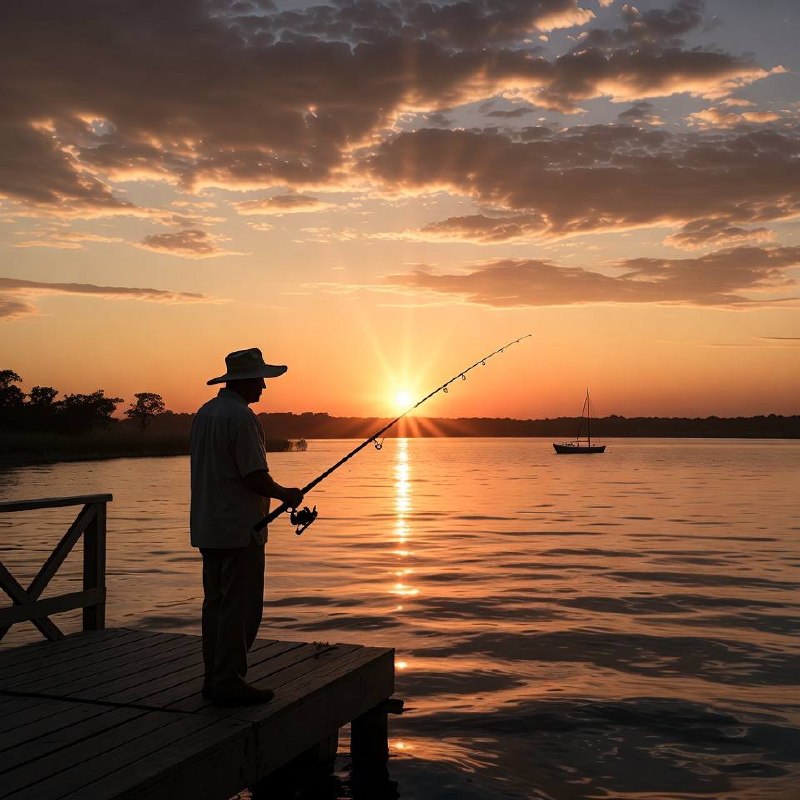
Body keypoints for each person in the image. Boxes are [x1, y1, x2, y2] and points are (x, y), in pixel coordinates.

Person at [190, 347, 303, 706]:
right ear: (249, 381)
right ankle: (230, 683)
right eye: (262, 381)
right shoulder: (242, 419)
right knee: (240, 610)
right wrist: (287, 494)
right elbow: (254, 476)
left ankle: (214, 679)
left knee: (215, 607)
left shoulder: (205, 413)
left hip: (208, 526)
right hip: (241, 530)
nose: (264, 388)